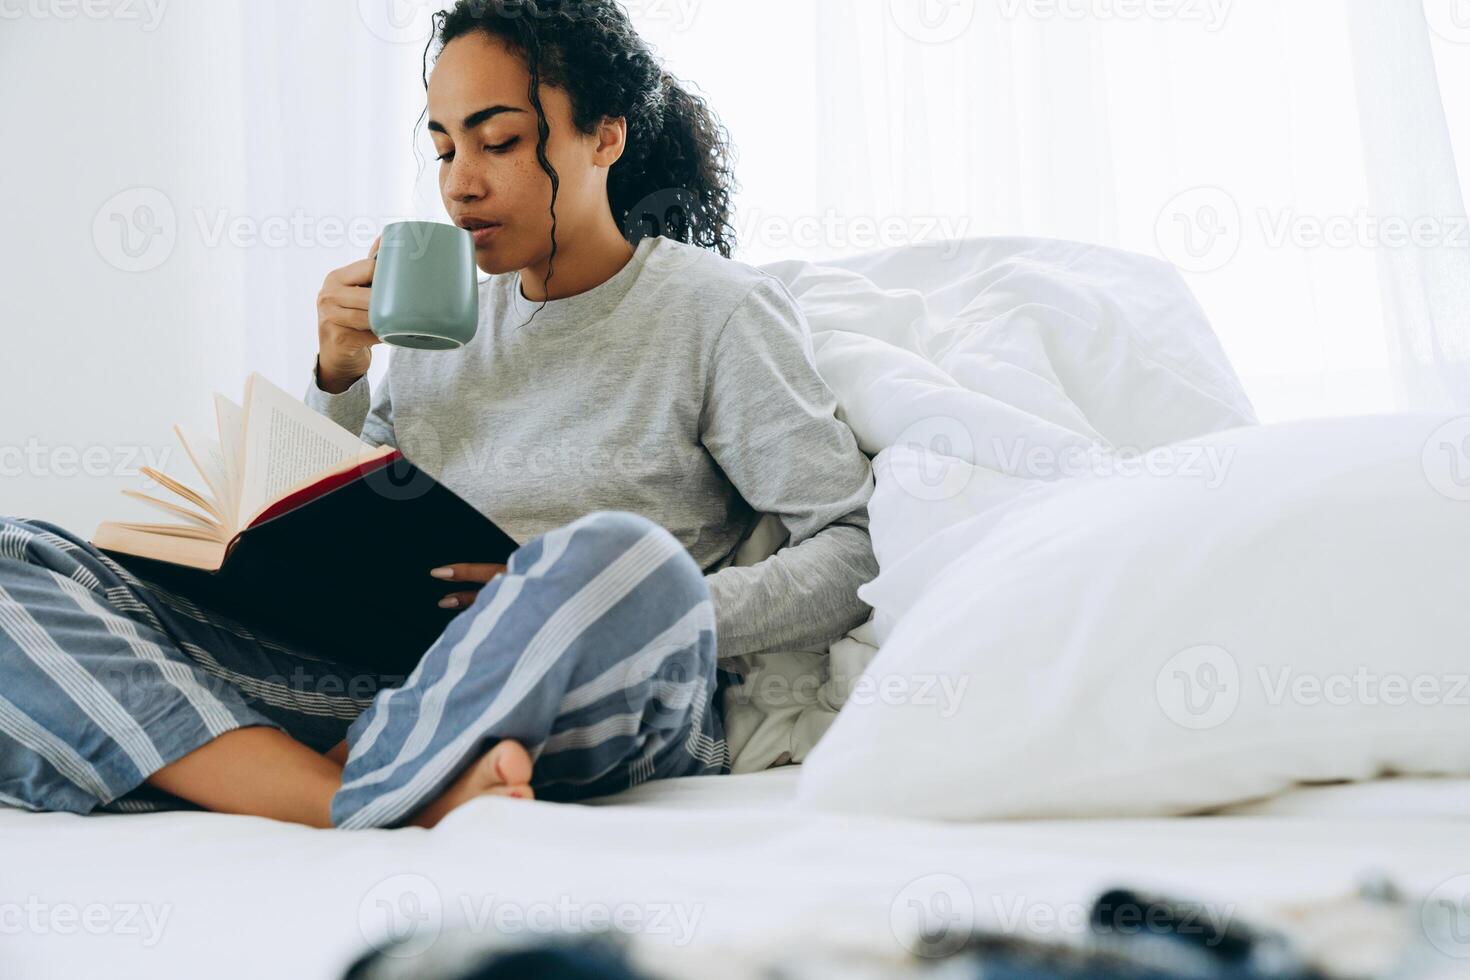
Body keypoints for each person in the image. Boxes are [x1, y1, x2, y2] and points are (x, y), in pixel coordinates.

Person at [0, 0, 876, 829]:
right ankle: (358, 791)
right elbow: (354, 520)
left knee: (620, 556)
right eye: (445, 147)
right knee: (15, 560)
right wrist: (338, 377)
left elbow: (851, 549)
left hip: (600, 683)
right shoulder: (436, 321)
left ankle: (274, 767)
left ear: (605, 134)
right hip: (380, 678)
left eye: (498, 142)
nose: (460, 184)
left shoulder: (715, 312)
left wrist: (552, 599)